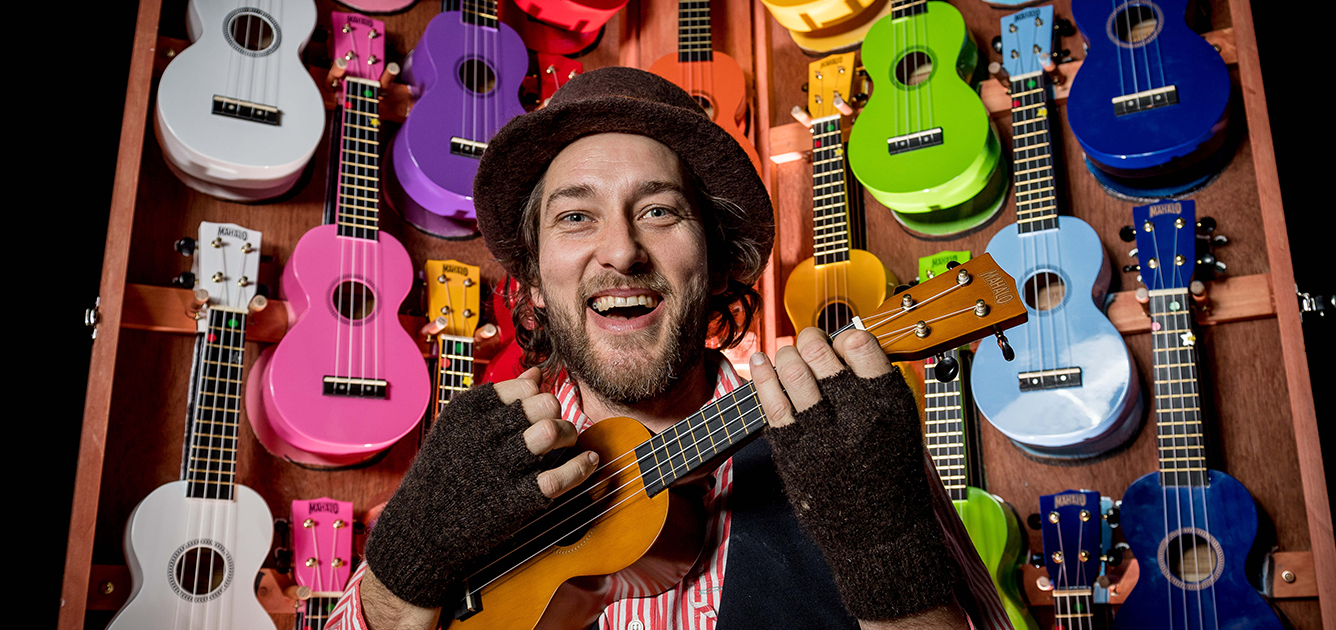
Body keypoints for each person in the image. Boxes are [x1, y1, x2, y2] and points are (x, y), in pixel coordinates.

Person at [326, 67, 1012, 630]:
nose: (621, 251)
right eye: (575, 217)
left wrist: (890, 567)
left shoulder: (847, 444)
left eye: (659, 211)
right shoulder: (484, 458)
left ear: (717, 264)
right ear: (533, 282)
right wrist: (408, 563)